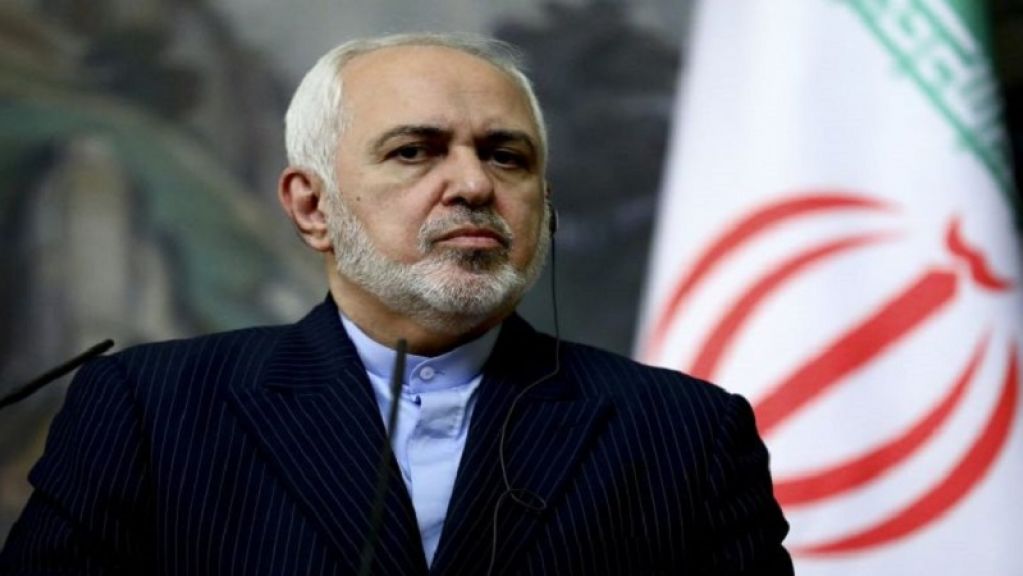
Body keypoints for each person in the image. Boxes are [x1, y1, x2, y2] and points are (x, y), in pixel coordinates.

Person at [0, 33, 793, 575]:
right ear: (311, 206)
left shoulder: (682, 432)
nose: (473, 184)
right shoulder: (150, 408)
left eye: (505, 156)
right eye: (414, 151)